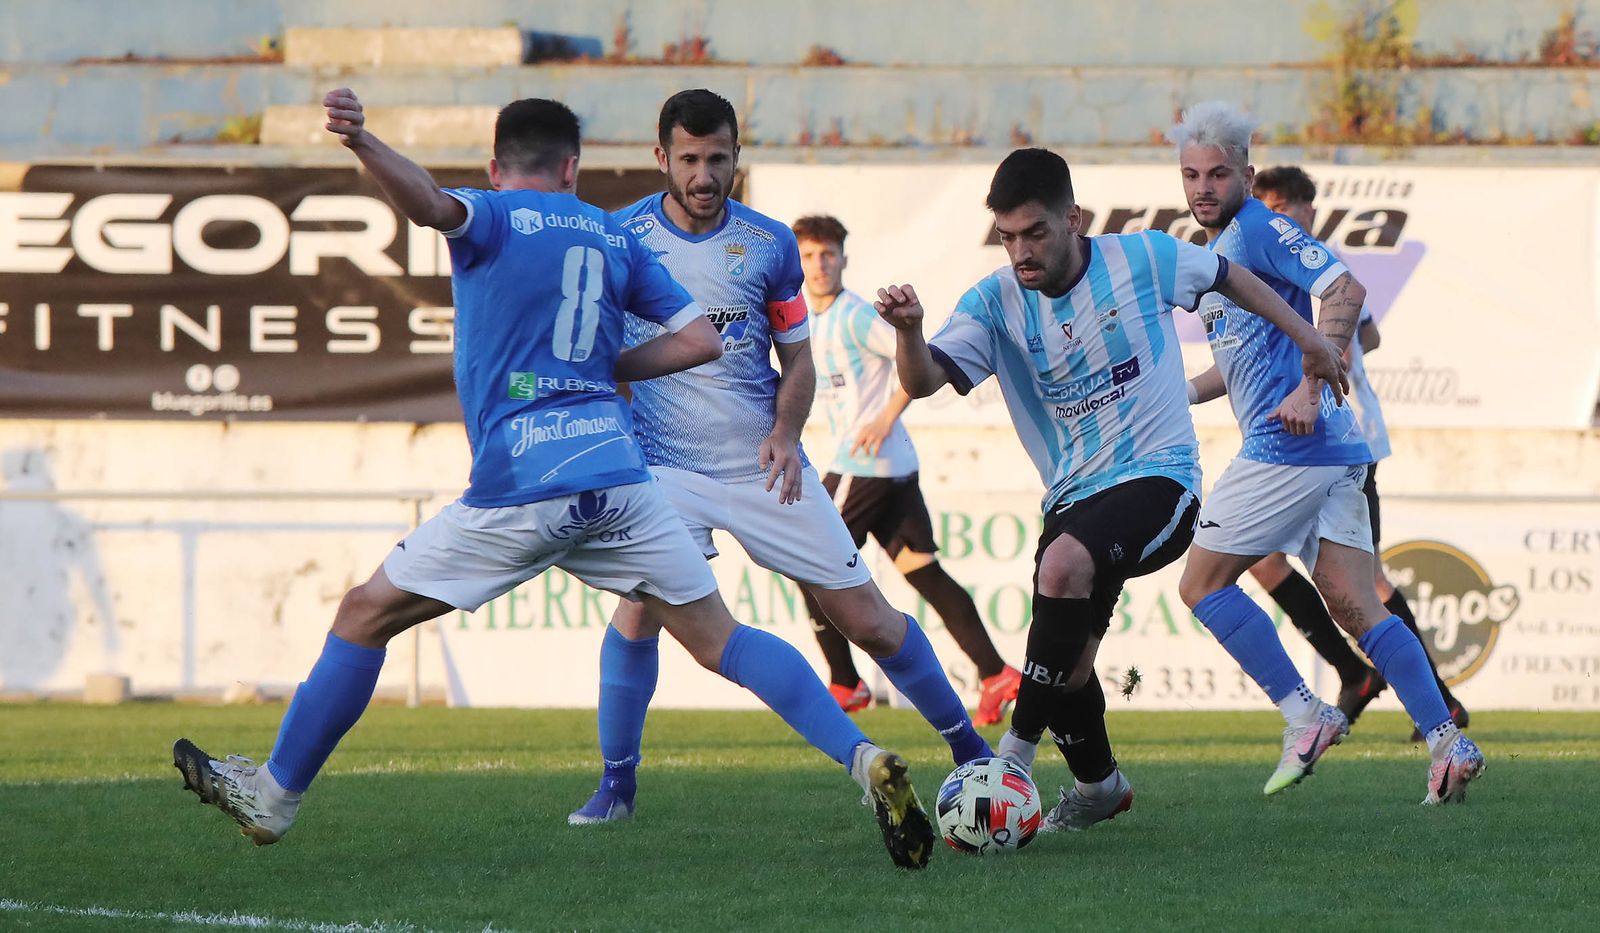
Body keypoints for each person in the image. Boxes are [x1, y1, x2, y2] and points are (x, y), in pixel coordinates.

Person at [172, 88, 936, 870]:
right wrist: (601, 370)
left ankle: (275, 793)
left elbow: (428, 204)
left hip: (526, 481)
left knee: (366, 613)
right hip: (621, 477)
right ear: (573, 166)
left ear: (497, 167)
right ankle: (862, 756)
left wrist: (364, 143)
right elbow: (701, 340)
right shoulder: (612, 235)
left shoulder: (496, 215)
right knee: (721, 640)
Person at [873, 148, 1348, 832]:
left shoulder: (1143, 258)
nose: (1021, 251)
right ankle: (1100, 786)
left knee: (1062, 566)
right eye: (1008, 237)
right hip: (1072, 499)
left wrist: (1309, 339)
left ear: (1073, 218)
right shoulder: (994, 300)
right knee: (1065, 668)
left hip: (1162, 479)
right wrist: (910, 334)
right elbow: (921, 382)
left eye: (1035, 232)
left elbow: (1233, 278)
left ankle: (1011, 761)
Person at [567, 90, 990, 827]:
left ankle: (969, 748)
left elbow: (796, 361)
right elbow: (598, 352)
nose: (705, 175)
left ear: (737, 156)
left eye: (719, 159)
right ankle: (617, 785)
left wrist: (789, 432)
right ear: (662, 157)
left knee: (869, 618)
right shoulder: (618, 236)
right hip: (662, 470)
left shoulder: (768, 243)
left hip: (766, 465)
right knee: (638, 616)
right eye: (690, 159)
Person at [1171, 101, 1484, 803]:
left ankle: (1304, 712)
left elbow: (1344, 289)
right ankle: (1446, 738)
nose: (1203, 188)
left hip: (1293, 443)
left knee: (1200, 584)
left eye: (1219, 173)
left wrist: (1312, 384)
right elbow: (1245, 356)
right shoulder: (1221, 249)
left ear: (1247, 174)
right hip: (1334, 447)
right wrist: (1184, 393)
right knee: (1355, 604)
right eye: (1191, 174)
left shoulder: (1260, 227)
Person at [1250, 165, 1468, 738]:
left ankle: (1435, 703)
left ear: (1310, 213)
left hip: (1344, 436)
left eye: (1295, 207)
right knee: (1265, 559)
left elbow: (1360, 332)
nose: (1286, 217)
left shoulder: (1315, 262)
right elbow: (1367, 334)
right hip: (1297, 439)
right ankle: (1356, 673)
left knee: (1365, 581)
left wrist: (1325, 354)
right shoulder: (1274, 263)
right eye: (1275, 207)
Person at [791, 214, 1022, 723]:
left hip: (863, 463)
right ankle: (996, 674)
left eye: (827, 254)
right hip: (892, 467)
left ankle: (846, 682)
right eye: (809, 255)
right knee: (925, 573)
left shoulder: (853, 317)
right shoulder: (811, 319)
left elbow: (913, 359)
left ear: (843, 258)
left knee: (809, 562)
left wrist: (884, 415)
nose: (819, 264)